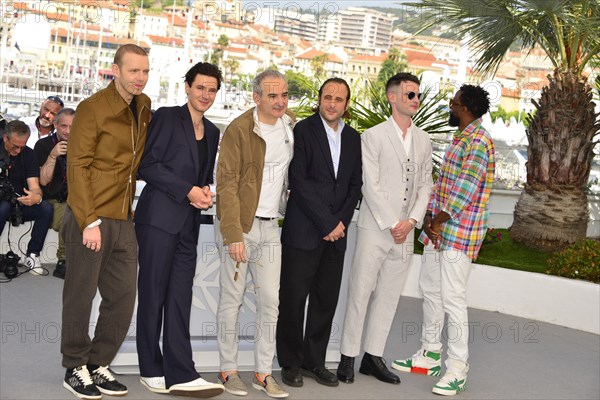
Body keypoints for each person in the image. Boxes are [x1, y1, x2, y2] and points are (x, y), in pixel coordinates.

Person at [60, 44, 152, 400]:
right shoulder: (92, 109)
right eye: (133, 71)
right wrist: (88, 220)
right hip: (90, 216)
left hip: (124, 218)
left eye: (145, 71)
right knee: (80, 295)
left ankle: (99, 363)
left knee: (124, 296)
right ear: (115, 70)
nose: (140, 78)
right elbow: (77, 166)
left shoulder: (144, 107)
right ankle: (74, 365)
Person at [392, 84, 495, 396]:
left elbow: (464, 190)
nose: (450, 105)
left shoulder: (478, 141)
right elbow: (444, 186)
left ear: (464, 107)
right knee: (431, 290)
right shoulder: (462, 137)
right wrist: (429, 220)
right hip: (441, 231)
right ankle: (430, 354)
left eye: (454, 102)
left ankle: (458, 368)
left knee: (452, 298)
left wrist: (436, 221)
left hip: (459, 234)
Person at [134, 62, 225, 397]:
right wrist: (188, 189)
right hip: (157, 219)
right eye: (200, 87)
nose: (205, 94)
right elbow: (148, 165)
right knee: (153, 294)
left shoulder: (214, 131)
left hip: (188, 224)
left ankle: (181, 370)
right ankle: (149, 367)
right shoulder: (167, 117)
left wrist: (203, 192)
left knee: (179, 299)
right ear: (187, 87)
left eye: (212, 89)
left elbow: (200, 176)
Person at [337, 72, 433, 385]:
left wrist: (412, 222)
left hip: (405, 233)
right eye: (409, 95)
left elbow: (425, 185)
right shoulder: (373, 136)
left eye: (417, 95)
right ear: (393, 97)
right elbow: (370, 185)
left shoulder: (424, 140)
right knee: (360, 292)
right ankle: (348, 356)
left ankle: (373, 357)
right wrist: (393, 223)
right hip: (375, 228)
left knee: (389, 296)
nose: (415, 100)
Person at [276, 78, 362, 388]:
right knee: (294, 300)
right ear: (319, 99)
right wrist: (327, 223)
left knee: (325, 301)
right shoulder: (304, 130)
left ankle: (314, 361)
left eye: (339, 99)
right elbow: (299, 181)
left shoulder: (354, 138)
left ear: (346, 105)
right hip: (305, 231)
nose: (332, 103)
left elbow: (354, 185)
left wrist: (338, 224)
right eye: (328, 97)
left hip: (336, 235)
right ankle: (290, 363)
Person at [215, 70, 294, 399]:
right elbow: (227, 184)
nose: (279, 101)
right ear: (256, 97)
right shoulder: (239, 129)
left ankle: (263, 372)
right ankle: (228, 370)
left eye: (284, 95)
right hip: (242, 227)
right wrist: (233, 233)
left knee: (270, 302)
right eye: (272, 95)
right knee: (231, 301)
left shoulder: (290, 127)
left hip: (270, 228)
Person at [0, 120, 53, 274]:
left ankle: (33, 254)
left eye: (22, 146)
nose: (18, 150)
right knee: (3, 207)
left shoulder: (28, 154)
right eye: (15, 146)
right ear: (5, 138)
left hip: (19, 203)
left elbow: (35, 187)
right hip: (2, 204)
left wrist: (36, 197)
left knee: (46, 208)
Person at [34, 107, 75, 279]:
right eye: (64, 126)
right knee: (68, 215)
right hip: (52, 199)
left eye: (73, 127)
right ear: (55, 125)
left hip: (75, 197)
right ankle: (63, 260)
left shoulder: (83, 146)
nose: (68, 131)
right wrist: (52, 156)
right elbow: (43, 181)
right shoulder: (43, 145)